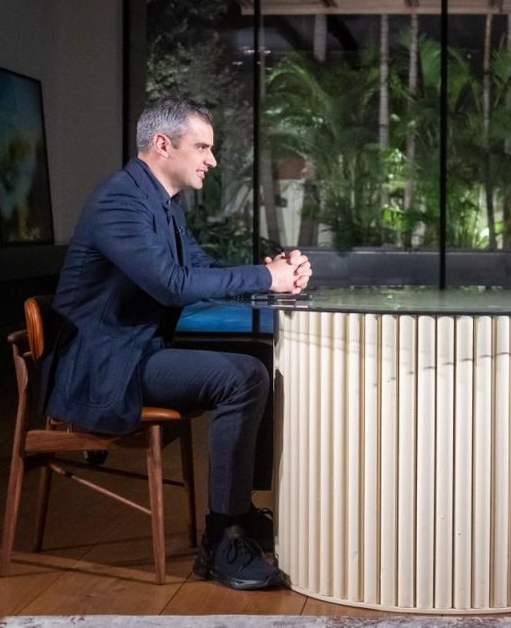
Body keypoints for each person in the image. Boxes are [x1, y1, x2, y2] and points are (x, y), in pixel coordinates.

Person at [42, 97, 311, 591]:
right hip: (102, 368)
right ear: (163, 145)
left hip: (133, 353)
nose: (212, 159)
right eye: (202, 147)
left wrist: (274, 275)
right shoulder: (120, 202)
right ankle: (222, 542)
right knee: (241, 377)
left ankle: (239, 513)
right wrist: (264, 278)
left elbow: (199, 268)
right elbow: (171, 284)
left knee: (257, 357)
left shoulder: (159, 202)